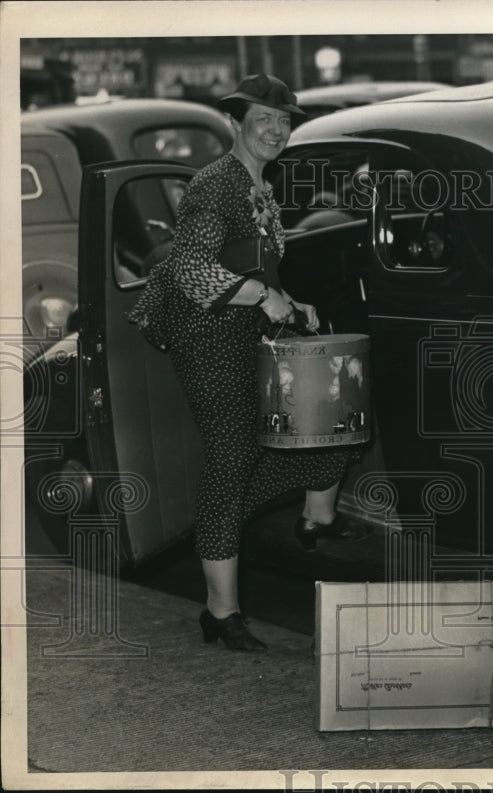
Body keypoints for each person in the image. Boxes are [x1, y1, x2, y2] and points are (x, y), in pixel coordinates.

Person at [128, 74, 367, 653]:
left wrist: (288, 300)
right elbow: (191, 270)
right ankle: (221, 612)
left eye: (284, 120)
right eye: (264, 118)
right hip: (206, 337)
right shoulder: (215, 186)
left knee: (333, 433)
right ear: (235, 122)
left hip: (246, 333)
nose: (276, 129)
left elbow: (255, 263)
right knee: (231, 460)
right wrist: (264, 298)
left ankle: (304, 517)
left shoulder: (258, 183)